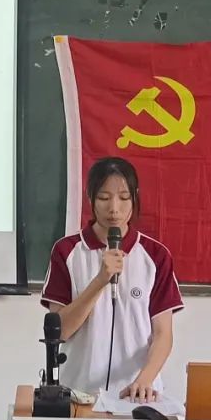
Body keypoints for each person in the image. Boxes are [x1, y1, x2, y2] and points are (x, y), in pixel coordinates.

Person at [40, 156, 183, 402]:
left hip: (137, 395)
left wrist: (145, 379)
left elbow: (163, 334)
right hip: (78, 393)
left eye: (124, 198)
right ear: (90, 198)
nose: (114, 208)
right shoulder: (67, 251)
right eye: (104, 198)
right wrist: (100, 280)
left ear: (135, 198)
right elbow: (60, 331)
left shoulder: (155, 255)